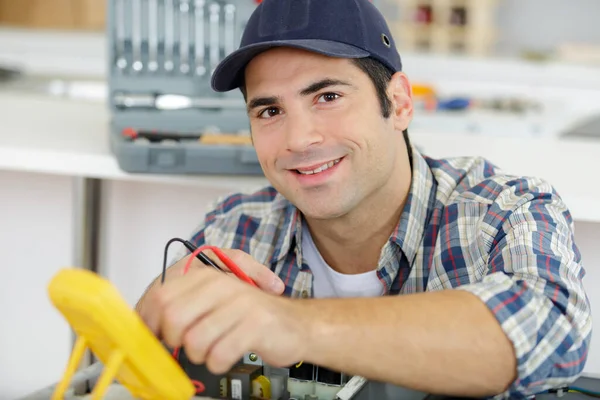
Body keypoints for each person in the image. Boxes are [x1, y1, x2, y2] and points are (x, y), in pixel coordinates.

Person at [135, 0, 592, 398]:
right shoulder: (234, 229)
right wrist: (153, 320)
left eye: (328, 96)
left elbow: (550, 336)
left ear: (399, 103)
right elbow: (135, 371)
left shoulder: (503, 212)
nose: (299, 139)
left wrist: (291, 324)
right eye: (270, 110)